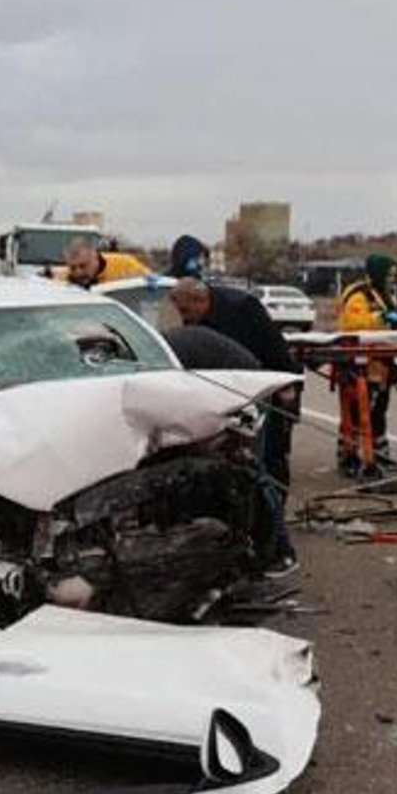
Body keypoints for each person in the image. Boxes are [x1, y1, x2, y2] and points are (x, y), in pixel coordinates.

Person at [168, 277, 302, 576]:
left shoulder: (241, 309)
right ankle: (243, 539)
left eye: (188, 312)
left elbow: (273, 346)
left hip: (254, 392)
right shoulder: (186, 333)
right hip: (225, 396)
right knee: (238, 471)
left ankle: (279, 550)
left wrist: (287, 386)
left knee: (256, 470)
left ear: (201, 302)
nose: (186, 319)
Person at [336, 254, 397, 472]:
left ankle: (379, 451)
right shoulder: (359, 295)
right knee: (356, 410)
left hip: (379, 362)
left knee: (379, 409)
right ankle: (349, 454)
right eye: (389, 274)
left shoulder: (381, 294)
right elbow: (354, 324)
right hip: (358, 362)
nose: (392, 279)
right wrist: (380, 319)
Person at [64, 237, 152, 288]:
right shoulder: (63, 280)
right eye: (72, 268)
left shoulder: (125, 265)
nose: (78, 272)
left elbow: (153, 281)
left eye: (83, 266)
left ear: (95, 257)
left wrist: (148, 280)